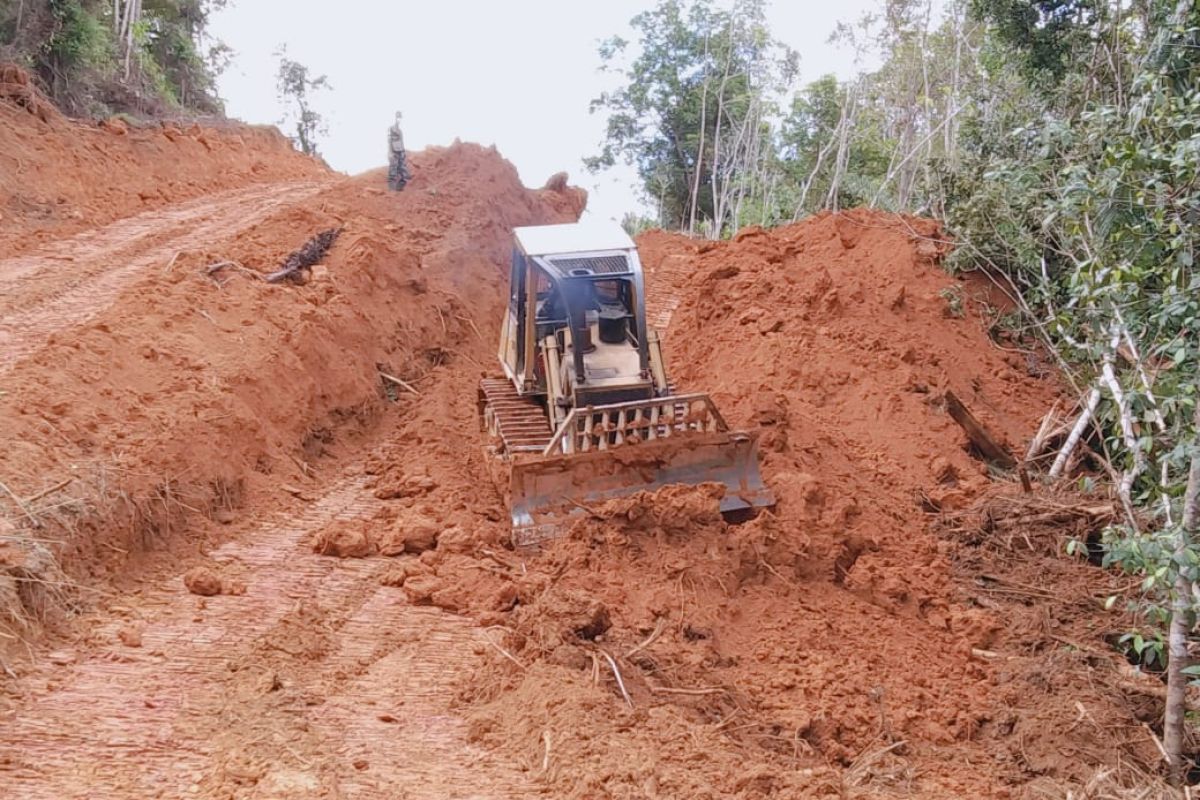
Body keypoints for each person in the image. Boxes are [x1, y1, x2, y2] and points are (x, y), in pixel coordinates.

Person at [387, 112, 411, 191]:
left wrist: (403, 151)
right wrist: (390, 152)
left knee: (402, 169)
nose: (399, 120)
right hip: (394, 150)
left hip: (400, 150)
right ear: (395, 118)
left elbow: (402, 141)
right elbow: (389, 140)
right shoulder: (391, 128)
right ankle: (392, 189)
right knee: (393, 168)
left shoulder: (400, 131)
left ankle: (400, 187)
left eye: (400, 118)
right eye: (398, 118)